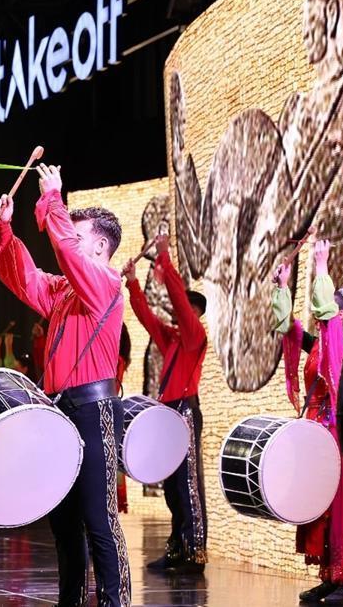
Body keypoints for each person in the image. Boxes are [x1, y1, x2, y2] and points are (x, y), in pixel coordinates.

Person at [0, 161, 130, 607]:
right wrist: (5, 231)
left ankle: (115, 602)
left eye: (78, 233)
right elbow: (26, 279)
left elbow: (66, 249)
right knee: (65, 522)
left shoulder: (106, 283)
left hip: (93, 410)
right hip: (60, 410)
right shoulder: (67, 290)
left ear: (101, 246)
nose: (68, 238)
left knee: (99, 519)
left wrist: (53, 199)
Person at [272, 240, 343, 605]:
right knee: (323, 506)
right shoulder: (322, 343)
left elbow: (325, 315)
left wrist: (321, 267)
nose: (327, 311)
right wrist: (282, 287)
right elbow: (288, 327)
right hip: (319, 434)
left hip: (340, 436)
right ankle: (330, 576)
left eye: (336, 307)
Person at [124, 233, 209, 575]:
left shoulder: (194, 336)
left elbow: (178, 299)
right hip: (169, 412)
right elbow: (146, 317)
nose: (179, 310)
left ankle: (194, 551)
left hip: (185, 410)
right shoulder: (173, 339)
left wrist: (165, 257)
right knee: (173, 485)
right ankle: (177, 548)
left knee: (187, 483)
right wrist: (133, 282)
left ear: (195, 312)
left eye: (186, 307)